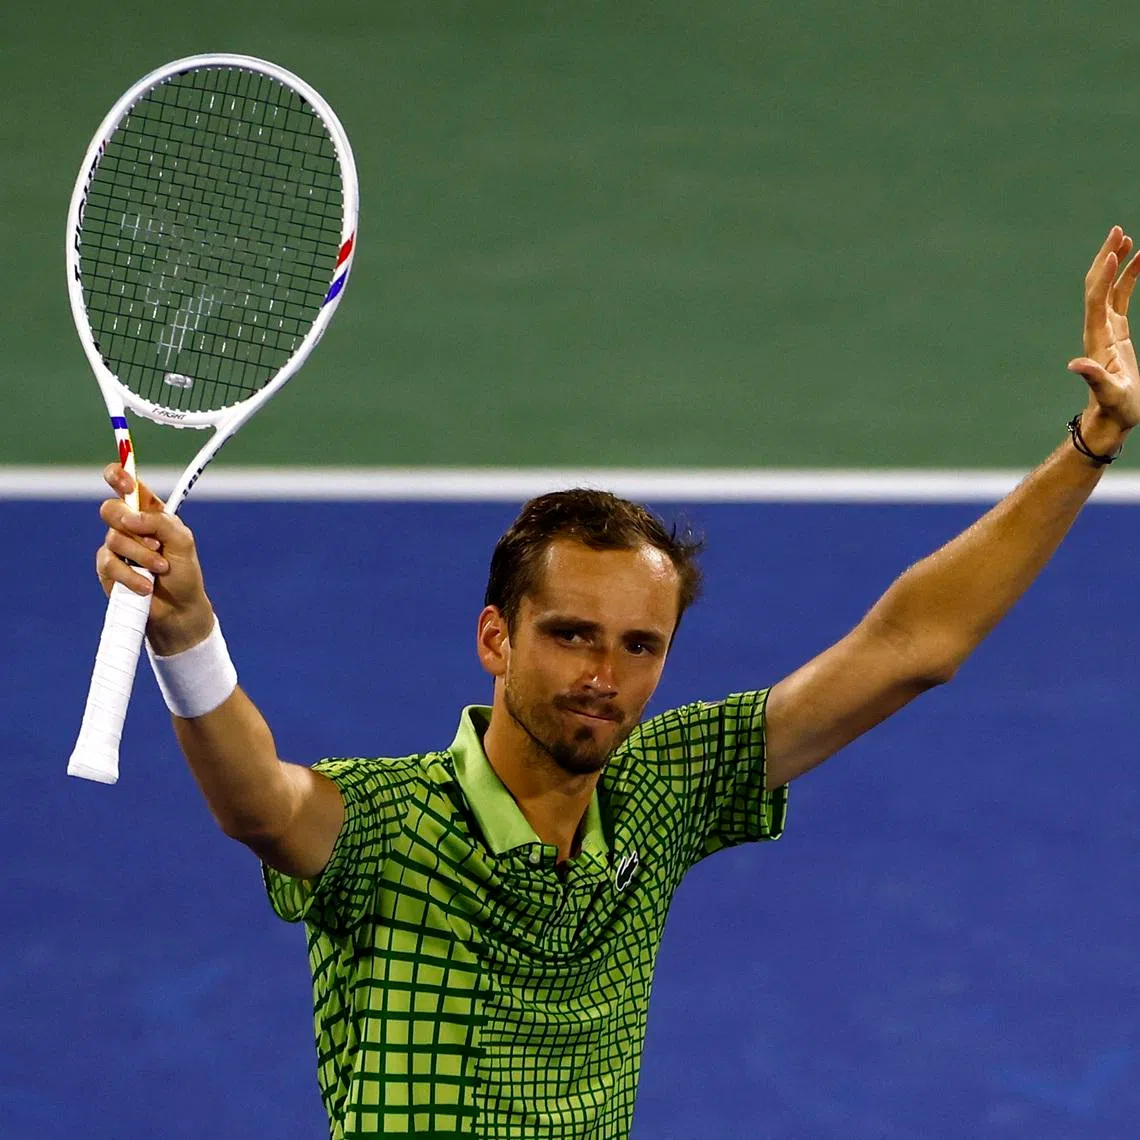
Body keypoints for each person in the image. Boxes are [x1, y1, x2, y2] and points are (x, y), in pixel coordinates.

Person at [96, 227, 1140, 1139]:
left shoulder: (663, 790)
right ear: (496, 639)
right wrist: (186, 631)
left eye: (640, 646)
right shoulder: (386, 826)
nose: (604, 677)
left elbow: (911, 645)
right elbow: (259, 803)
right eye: (572, 636)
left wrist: (1092, 443)